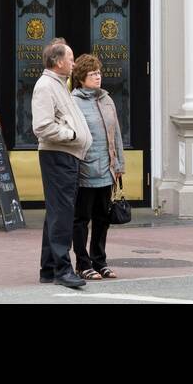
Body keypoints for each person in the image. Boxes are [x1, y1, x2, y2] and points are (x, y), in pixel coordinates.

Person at [31, 38, 92, 288]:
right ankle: (62, 270)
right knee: (63, 214)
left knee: (57, 213)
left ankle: (48, 269)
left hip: (65, 156)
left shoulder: (58, 84)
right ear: (58, 62)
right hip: (59, 156)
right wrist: (73, 136)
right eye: (70, 58)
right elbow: (42, 126)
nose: (74, 63)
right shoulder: (46, 86)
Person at [70, 54, 125, 280]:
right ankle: (82, 264)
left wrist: (119, 163)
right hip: (85, 170)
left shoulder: (106, 99)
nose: (98, 77)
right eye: (92, 74)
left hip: (107, 169)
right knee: (82, 219)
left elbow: (117, 133)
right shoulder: (73, 101)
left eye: (99, 73)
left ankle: (99, 260)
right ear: (81, 77)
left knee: (102, 217)